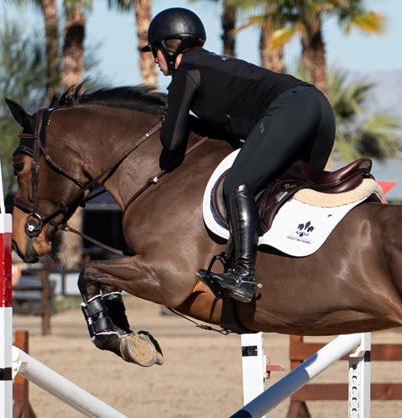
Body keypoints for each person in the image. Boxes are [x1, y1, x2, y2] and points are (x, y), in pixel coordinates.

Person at [143, 7, 337, 303]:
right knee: (287, 194)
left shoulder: (187, 70)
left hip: (293, 107)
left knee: (237, 184)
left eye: (154, 51)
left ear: (169, 47)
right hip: (318, 107)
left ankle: (243, 275)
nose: (155, 60)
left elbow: (172, 141)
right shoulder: (209, 64)